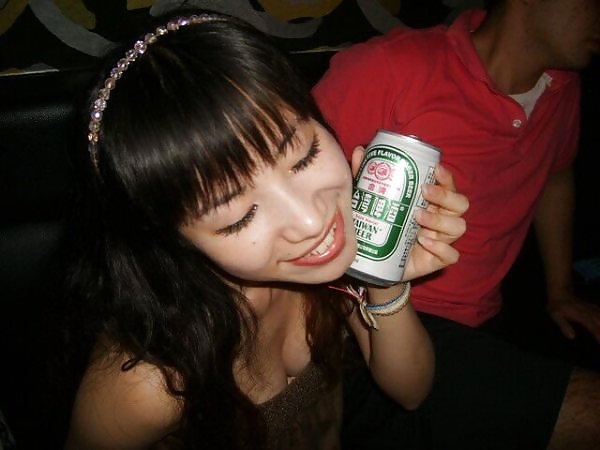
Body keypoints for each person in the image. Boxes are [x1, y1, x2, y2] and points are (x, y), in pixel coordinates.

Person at [58, 9, 468, 450]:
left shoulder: (325, 270)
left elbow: (411, 391)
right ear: (171, 239)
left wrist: (384, 275)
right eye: (239, 216)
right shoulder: (148, 382)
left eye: (304, 155)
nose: (311, 222)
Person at [313, 0, 600, 449]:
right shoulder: (384, 68)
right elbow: (296, 190)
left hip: (486, 319)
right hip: (372, 320)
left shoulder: (564, 87)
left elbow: (557, 176)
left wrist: (560, 289)